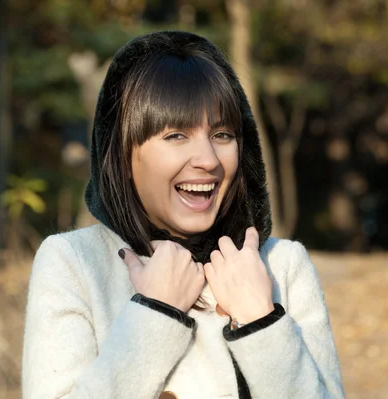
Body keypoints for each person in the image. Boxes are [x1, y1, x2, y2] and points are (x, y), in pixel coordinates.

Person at [22, 31, 345, 399]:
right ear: (123, 155)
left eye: (223, 134)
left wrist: (260, 321)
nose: (208, 160)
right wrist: (155, 313)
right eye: (176, 135)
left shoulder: (282, 266)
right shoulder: (74, 264)